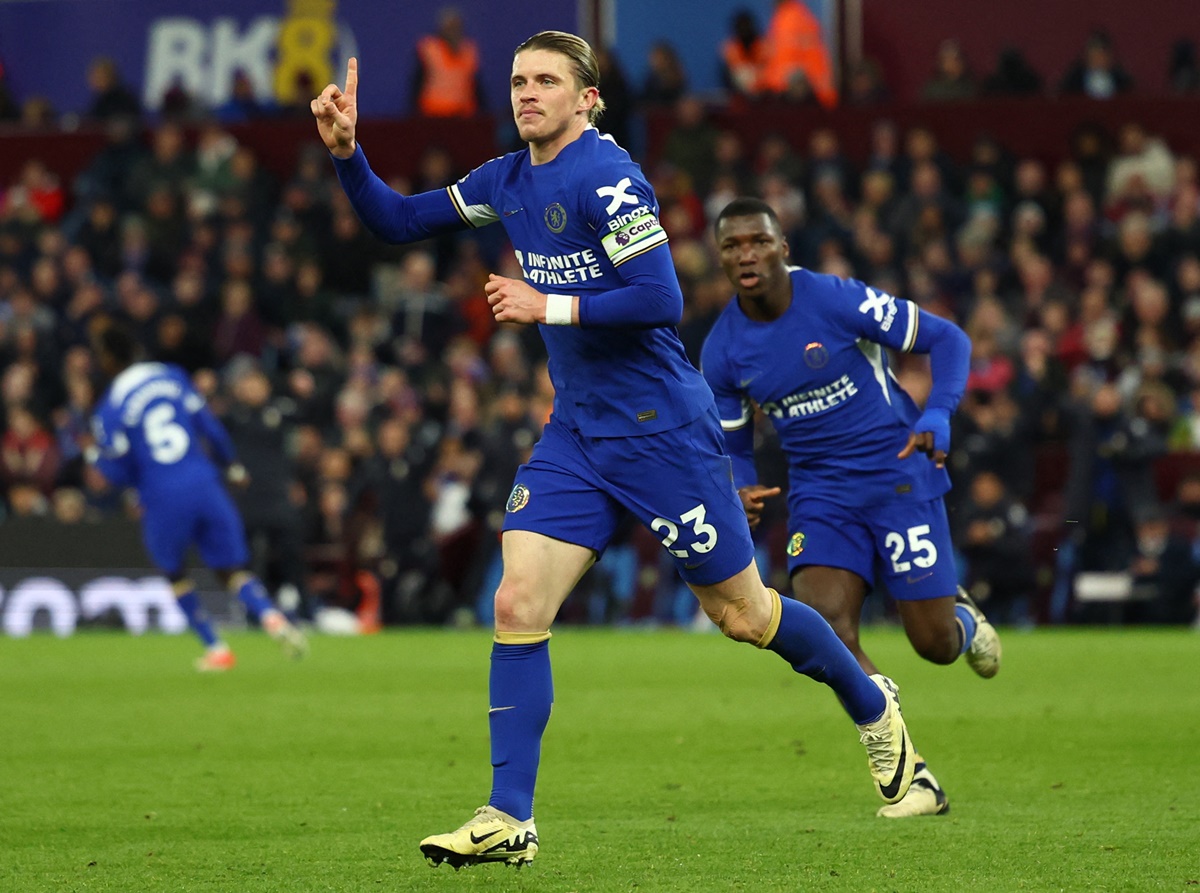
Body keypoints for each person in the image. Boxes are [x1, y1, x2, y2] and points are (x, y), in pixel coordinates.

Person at [312, 31, 913, 868]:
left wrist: (544, 303)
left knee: (743, 615)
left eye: (547, 80)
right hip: (580, 435)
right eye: (519, 79)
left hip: (663, 434)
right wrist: (349, 155)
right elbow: (396, 219)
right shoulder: (506, 178)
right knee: (518, 603)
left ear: (587, 97)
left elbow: (660, 297)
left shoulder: (608, 176)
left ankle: (872, 703)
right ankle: (508, 815)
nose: (527, 93)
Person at [702, 198, 1002, 819]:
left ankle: (963, 621)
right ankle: (909, 770)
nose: (746, 255)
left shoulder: (837, 300)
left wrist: (940, 412)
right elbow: (734, 441)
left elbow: (948, 339)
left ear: (783, 247)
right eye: (732, 246)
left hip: (897, 477)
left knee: (935, 645)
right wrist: (742, 484)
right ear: (721, 258)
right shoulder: (723, 349)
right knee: (827, 626)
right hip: (819, 494)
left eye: (758, 241)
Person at [86, 325, 308, 671]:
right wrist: (231, 465)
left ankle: (216, 647)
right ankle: (270, 616)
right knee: (230, 568)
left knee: (173, 573)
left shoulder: (110, 407)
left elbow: (117, 473)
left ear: (109, 359)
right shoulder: (171, 376)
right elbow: (209, 426)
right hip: (205, 482)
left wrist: (95, 459)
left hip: (162, 492)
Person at [412, 7, 483, 117]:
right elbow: (417, 82)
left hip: (462, 114)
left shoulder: (468, 50)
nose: (453, 31)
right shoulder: (430, 50)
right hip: (433, 113)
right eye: (449, 27)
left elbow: (475, 84)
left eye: (456, 27)